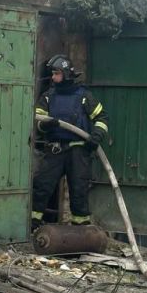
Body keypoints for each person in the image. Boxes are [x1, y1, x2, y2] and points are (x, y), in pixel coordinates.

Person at [32, 54, 108, 227]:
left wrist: (96, 136)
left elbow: (102, 118)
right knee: (41, 187)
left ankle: (80, 230)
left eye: (56, 73)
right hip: (55, 150)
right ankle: (32, 224)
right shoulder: (48, 96)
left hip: (78, 151)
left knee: (79, 191)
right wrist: (47, 126)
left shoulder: (84, 97)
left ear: (66, 73)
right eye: (52, 73)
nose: (53, 77)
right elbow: (38, 122)